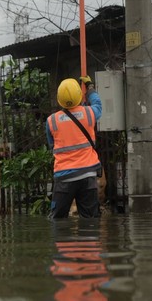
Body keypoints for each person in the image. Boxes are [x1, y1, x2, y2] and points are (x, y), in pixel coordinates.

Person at [46, 76, 102, 218]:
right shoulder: (89, 113)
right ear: (79, 95)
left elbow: (52, 144)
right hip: (88, 175)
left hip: (64, 177)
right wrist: (89, 87)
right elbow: (98, 104)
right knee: (90, 220)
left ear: (60, 99)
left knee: (57, 219)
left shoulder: (52, 121)